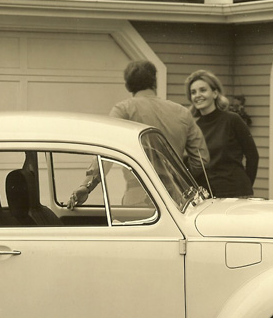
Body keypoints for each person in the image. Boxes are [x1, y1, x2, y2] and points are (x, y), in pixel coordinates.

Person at [68, 60, 209, 208]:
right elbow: (201, 160)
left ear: (128, 85)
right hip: (177, 200)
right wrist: (176, 176)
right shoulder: (182, 112)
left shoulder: (124, 110)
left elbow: (105, 154)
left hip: (138, 197)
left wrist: (87, 186)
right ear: (154, 83)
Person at [186, 69, 258, 197]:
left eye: (203, 90)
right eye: (193, 92)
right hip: (209, 197)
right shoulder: (194, 127)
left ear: (215, 93)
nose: (197, 95)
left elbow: (253, 156)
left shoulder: (232, 120)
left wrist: (246, 186)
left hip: (236, 194)